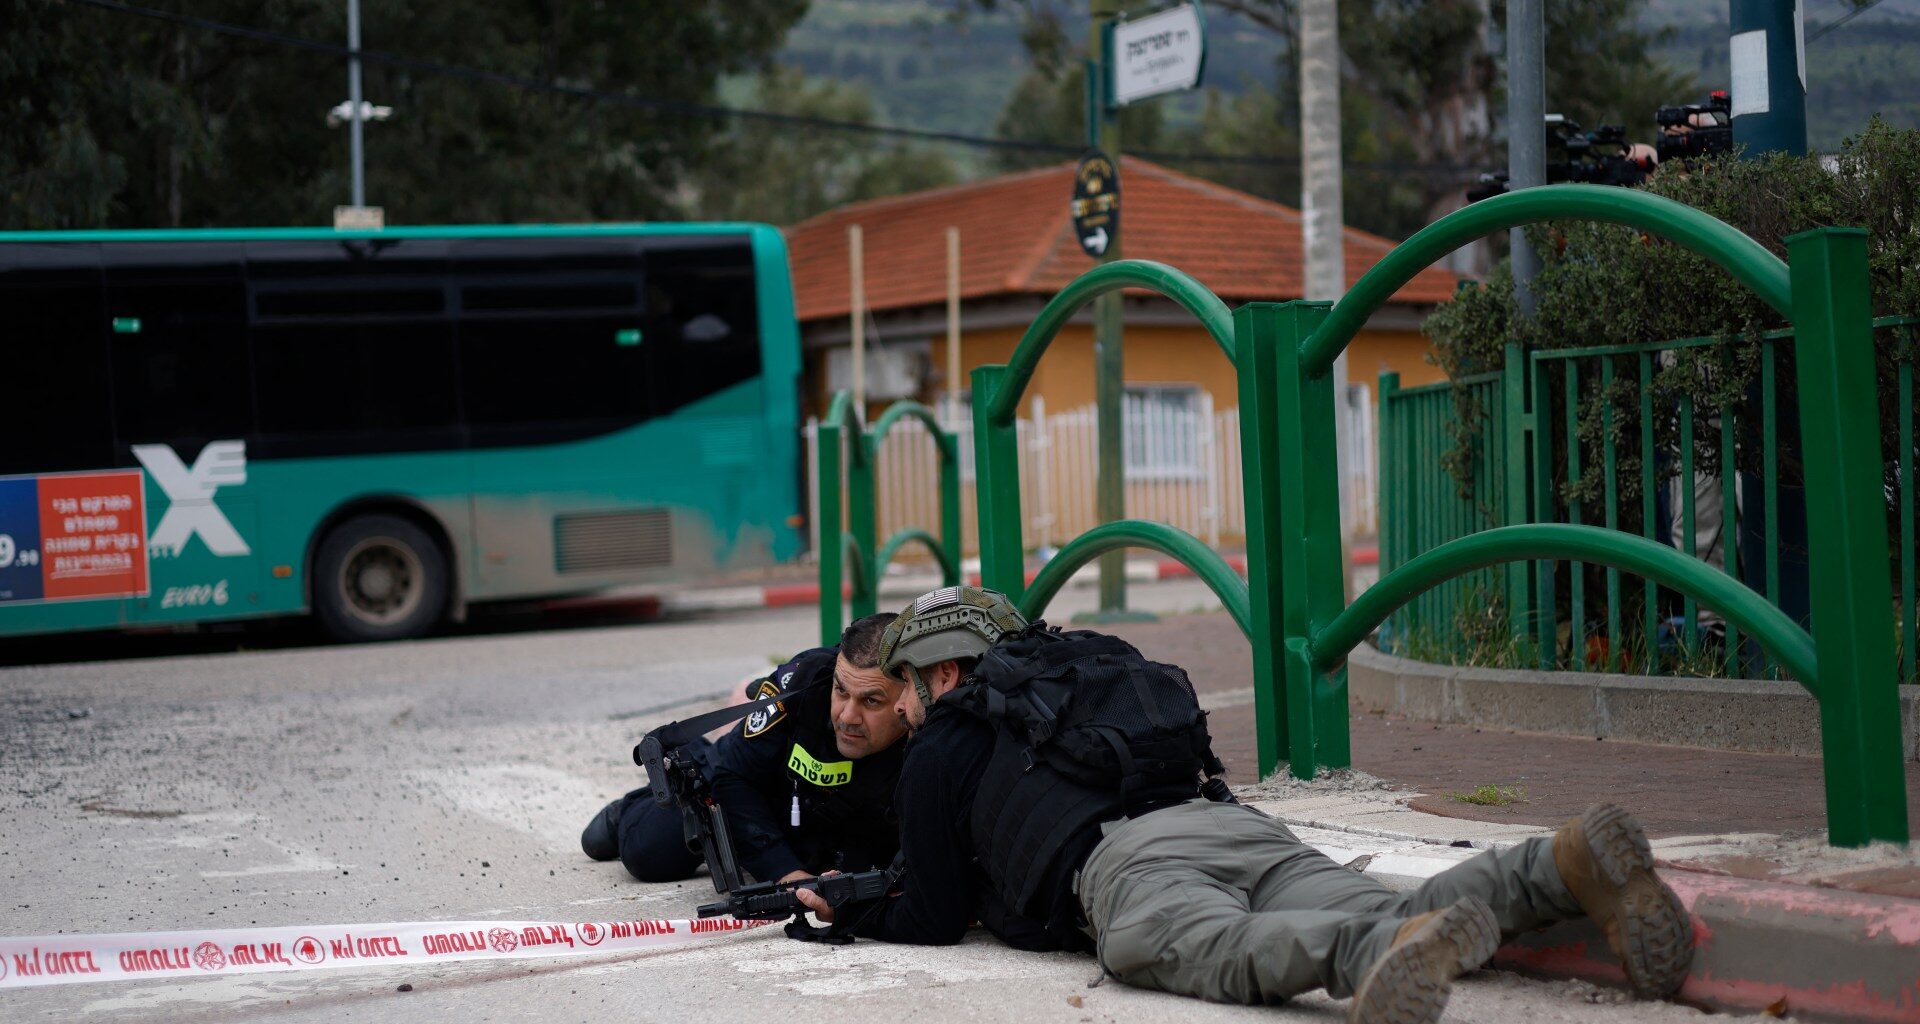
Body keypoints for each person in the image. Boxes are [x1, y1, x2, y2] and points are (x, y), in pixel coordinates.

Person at [798, 587, 1693, 1024]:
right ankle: (1554, 866)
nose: (903, 703)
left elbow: (935, 916)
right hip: (1229, 821)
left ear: (945, 673)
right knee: (1386, 901)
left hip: (1126, 867)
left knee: (1189, 947)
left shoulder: (942, 743)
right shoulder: (1090, 664)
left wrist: (843, 905)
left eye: (905, 685)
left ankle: (1369, 957)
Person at [583, 612, 907, 886]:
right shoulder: (801, 681)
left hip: (828, 820)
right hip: (756, 789)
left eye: (872, 701)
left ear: (909, 697)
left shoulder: (930, 726)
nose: (847, 716)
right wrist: (784, 873)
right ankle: (633, 805)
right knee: (648, 856)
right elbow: (732, 775)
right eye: (841, 691)